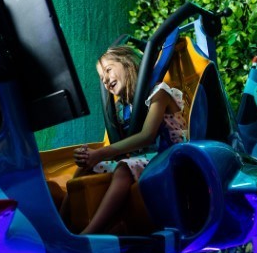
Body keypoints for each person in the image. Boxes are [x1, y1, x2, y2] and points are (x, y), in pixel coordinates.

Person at [72, 45, 189, 234]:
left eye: (108, 70)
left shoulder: (159, 92)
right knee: (86, 166)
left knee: (124, 169)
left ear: (128, 63)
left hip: (170, 158)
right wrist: (91, 156)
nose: (105, 80)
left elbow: (147, 136)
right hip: (146, 160)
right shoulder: (124, 108)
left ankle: (89, 233)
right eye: (101, 78)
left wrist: (100, 153)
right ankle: (62, 224)